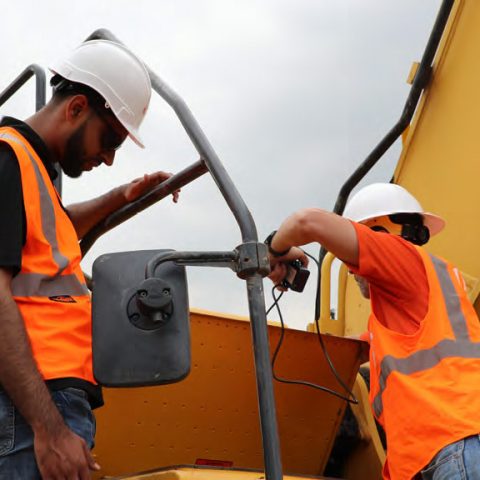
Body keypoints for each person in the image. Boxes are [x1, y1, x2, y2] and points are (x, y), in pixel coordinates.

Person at [0, 40, 179, 479]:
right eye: (111, 138)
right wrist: (50, 428)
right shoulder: (7, 158)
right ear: (77, 107)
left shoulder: (32, 168)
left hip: (40, 400)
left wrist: (122, 197)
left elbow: (54, 232)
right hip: (34, 401)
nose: (110, 156)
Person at [265, 182, 480, 480]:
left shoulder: (400, 256)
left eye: (348, 255)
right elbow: (353, 349)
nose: (351, 270)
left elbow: (307, 221)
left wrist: (273, 249)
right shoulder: (422, 296)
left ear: (377, 236)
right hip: (447, 450)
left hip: (454, 448)